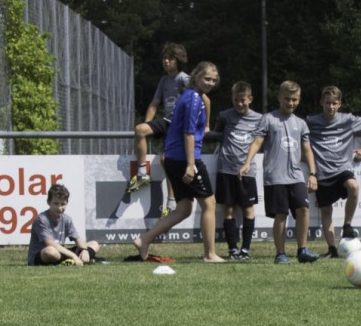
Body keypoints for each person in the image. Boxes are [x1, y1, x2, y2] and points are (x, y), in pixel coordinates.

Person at [135, 62, 223, 263]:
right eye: (207, 79)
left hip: (173, 158)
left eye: (213, 80)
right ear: (196, 76)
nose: (210, 83)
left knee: (184, 208)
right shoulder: (193, 99)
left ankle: (144, 240)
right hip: (184, 159)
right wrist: (191, 165)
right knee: (209, 203)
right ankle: (210, 254)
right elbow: (188, 133)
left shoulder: (190, 95)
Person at [241, 81, 320, 264]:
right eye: (287, 99)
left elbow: (307, 150)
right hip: (275, 177)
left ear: (299, 99)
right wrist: (247, 162)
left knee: (303, 209)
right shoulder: (268, 119)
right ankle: (280, 254)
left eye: (294, 99)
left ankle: (302, 250)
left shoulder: (301, 123)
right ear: (279, 98)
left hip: (296, 176)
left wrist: (312, 173)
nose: (290, 103)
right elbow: (257, 142)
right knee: (281, 214)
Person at [306, 86, 361, 257]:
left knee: (354, 186)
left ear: (339, 104)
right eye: (327, 103)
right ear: (321, 102)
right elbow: (299, 135)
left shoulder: (348, 119)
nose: (330, 107)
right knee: (326, 211)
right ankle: (332, 249)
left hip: (342, 169)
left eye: (334, 103)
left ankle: (347, 225)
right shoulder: (311, 121)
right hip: (322, 172)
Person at [128, 43, 191, 199]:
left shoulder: (184, 79)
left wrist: (206, 124)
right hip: (167, 121)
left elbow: (203, 99)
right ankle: (142, 174)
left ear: (179, 61)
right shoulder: (164, 80)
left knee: (166, 160)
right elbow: (154, 103)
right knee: (140, 130)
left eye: (170, 58)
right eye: (164, 58)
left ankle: (171, 201)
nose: (166, 61)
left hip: (179, 126)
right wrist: (148, 124)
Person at [214, 82, 263, 260]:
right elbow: (216, 134)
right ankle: (233, 249)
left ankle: (245, 250)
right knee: (228, 210)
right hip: (226, 169)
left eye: (243, 100)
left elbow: (260, 141)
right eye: (236, 100)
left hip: (247, 172)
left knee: (248, 209)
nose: (239, 104)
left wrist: (247, 163)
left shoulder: (259, 119)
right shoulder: (224, 116)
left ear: (250, 99)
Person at [27, 183, 102, 265]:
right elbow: (50, 243)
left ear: (67, 203)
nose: (59, 208)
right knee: (50, 251)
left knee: (94, 244)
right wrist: (73, 255)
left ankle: (71, 260)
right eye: (56, 204)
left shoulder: (67, 219)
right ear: (48, 202)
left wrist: (85, 250)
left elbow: (77, 239)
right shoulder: (42, 219)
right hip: (43, 254)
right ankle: (74, 259)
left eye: (62, 204)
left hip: (60, 252)